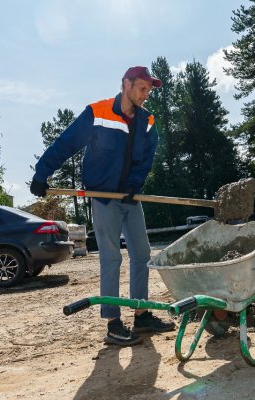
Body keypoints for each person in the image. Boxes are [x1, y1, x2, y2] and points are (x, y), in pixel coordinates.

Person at [30, 66, 175, 346]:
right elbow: (66, 143)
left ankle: (142, 314)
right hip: (104, 197)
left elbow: (146, 159)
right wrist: (42, 173)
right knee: (111, 257)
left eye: (149, 90)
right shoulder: (98, 113)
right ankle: (113, 322)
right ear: (126, 84)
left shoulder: (147, 121)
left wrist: (135, 186)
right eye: (143, 88)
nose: (146, 95)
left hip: (131, 198)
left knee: (142, 253)